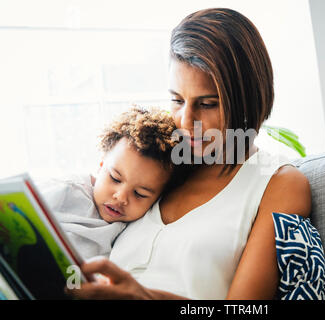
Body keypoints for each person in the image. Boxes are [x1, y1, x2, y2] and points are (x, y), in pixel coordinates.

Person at [66, 8, 312, 300]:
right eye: (177, 99)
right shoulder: (160, 164)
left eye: (207, 104)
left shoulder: (277, 183)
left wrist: (143, 297)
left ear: (247, 99)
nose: (184, 122)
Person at [38, 107, 179, 260]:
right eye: (115, 178)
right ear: (100, 166)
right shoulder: (67, 190)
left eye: (140, 194)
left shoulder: (134, 229)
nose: (121, 197)